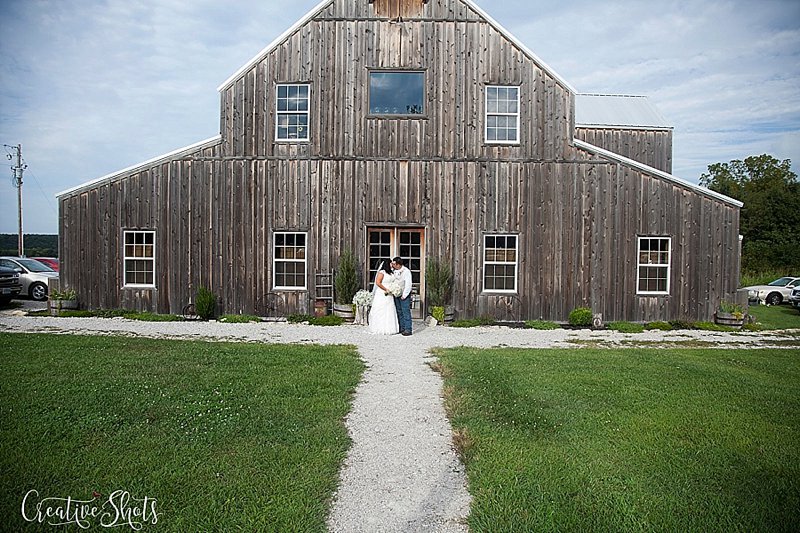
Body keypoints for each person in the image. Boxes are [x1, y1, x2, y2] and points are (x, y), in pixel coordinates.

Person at [368, 260, 399, 335]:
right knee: (381, 308)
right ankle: (379, 327)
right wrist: (386, 289)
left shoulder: (392, 272)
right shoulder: (382, 272)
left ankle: (390, 328)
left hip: (390, 293)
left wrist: (394, 288)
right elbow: (378, 282)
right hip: (382, 292)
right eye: (391, 263)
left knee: (389, 309)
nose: (392, 264)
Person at [392, 257, 413, 336]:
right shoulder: (394, 271)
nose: (393, 265)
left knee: (405, 311)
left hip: (404, 294)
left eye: (394, 264)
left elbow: (408, 284)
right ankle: (402, 328)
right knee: (399, 311)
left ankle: (408, 329)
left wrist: (405, 295)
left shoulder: (406, 271)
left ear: (398, 264)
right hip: (396, 293)